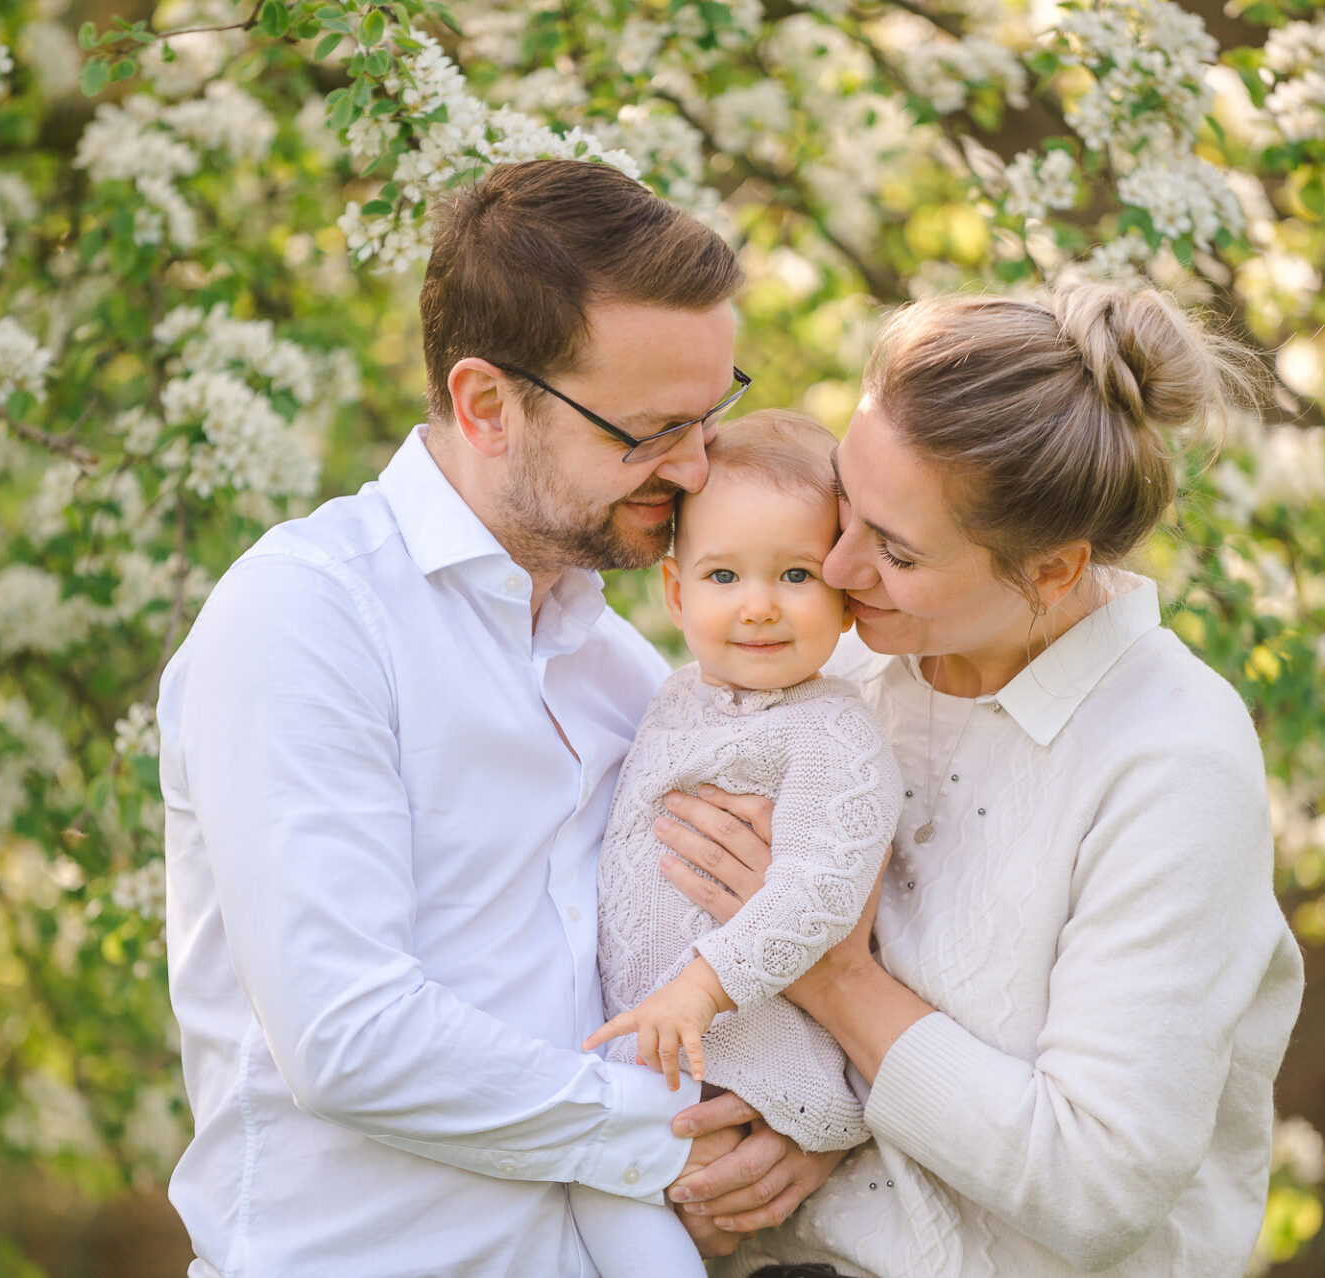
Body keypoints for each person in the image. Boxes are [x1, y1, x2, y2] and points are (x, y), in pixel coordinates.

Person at [156, 159, 833, 1277]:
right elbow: (349, 1039)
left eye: (712, 416)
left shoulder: (623, 668)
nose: (699, 466)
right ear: (485, 405)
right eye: (654, 429)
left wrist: (773, 1136)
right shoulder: (306, 619)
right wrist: (665, 1139)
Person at [654, 284, 1307, 1276]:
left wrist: (830, 973)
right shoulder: (839, 664)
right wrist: (787, 1121)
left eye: (897, 551)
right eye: (847, 507)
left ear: (1052, 570)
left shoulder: (1172, 760)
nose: (834, 563)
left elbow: (1096, 1187)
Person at [571, 411, 902, 1278]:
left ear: (844, 594)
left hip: (749, 1076)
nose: (758, 606)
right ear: (677, 592)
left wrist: (701, 987)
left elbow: (818, 892)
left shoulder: (833, 735)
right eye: (724, 575)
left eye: (795, 573)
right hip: (651, 1067)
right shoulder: (670, 694)